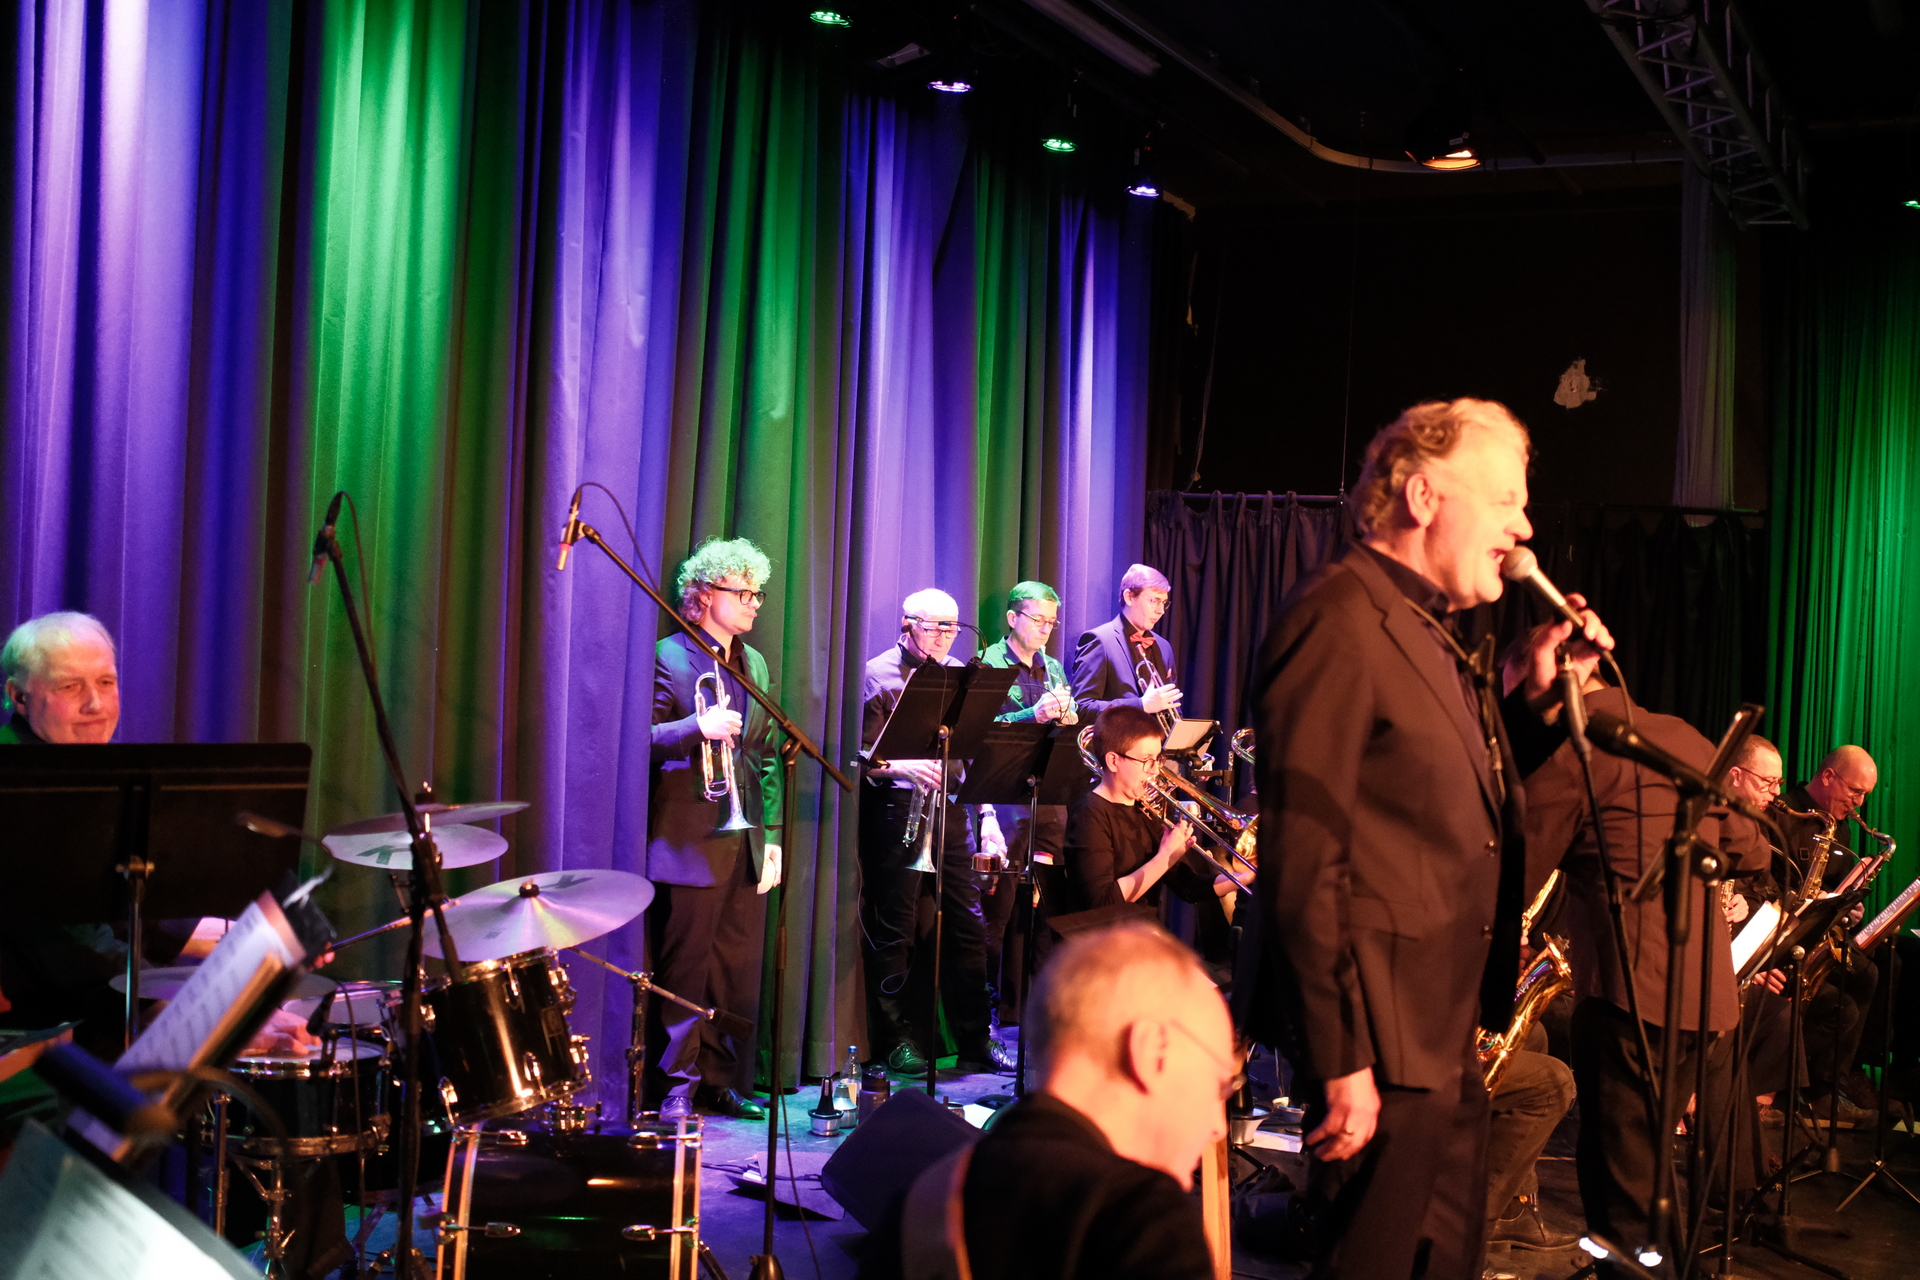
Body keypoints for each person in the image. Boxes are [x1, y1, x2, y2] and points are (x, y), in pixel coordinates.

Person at [1251, 398, 1612, 1280]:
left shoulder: (1431, 629)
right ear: (1422, 498)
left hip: (1443, 1039)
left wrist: (1537, 705)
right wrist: (1341, 1061)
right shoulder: (1339, 617)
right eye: (1505, 502)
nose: (1524, 530)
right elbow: (1303, 859)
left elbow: (1450, 802)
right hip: (1378, 1048)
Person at [1525, 672, 1770, 1268]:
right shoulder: (1685, 738)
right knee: (1652, 1178)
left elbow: (1517, 863)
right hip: (1705, 1001)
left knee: (1624, 1199)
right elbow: (1752, 848)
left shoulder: (1576, 752)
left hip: (1628, 999)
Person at [859, 922, 1227, 1280]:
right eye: (1217, 1084)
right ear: (1151, 1051)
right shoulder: (1145, 1220)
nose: (1218, 1126)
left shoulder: (919, 1208)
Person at [644, 537, 780, 1121]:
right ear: (703, 595)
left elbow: (765, 756)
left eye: (757, 593)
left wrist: (772, 838)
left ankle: (720, 1080)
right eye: (743, 592)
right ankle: (676, 1084)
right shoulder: (667, 657)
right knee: (686, 970)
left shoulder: (756, 663)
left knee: (733, 969)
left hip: (743, 838)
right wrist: (694, 728)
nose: (754, 603)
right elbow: (635, 738)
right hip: (688, 840)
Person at [859, 589, 996, 1075]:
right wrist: (902, 766)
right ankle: (895, 1040)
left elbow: (974, 753)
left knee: (968, 924)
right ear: (907, 623)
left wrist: (988, 817)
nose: (944, 636)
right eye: (935, 626)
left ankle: (976, 1038)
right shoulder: (877, 674)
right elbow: (861, 759)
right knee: (895, 928)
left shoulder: (962, 675)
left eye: (952, 627)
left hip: (951, 811)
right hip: (899, 810)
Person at [975, 581, 1076, 1031]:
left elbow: (1065, 726)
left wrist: (1069, 718)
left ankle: (1038, 1014)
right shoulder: (988, 663)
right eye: (1038, 619)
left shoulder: (1052, 667)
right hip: (1003, 799)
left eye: (1052, 622)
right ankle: (985, 1020)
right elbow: (979, 730)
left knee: (1048, 911)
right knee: (997, 913)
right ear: (1013, 618)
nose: (1046, 629)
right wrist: (1030, 716)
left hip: (1048, 798)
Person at [1058, 706, 1226, 917]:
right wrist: (1165, 857)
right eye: (1146, 760)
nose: (1155, 770)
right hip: (1104, 935)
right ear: (1113, 761)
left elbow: (1188, 887)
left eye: (1158, 759)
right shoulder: (1089, 815)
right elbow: (1101, 904)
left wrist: (1245, 877)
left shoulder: (1147, 811)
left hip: (1143, 931)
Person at [1071, 564, 1182, 722]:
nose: (1161, 610)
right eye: (1154, 600)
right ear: (1129, 597)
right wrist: (1141, 705)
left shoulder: (1164, 647)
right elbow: (1081, 708)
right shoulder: (1099, 640)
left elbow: (1172, 707)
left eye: (1164, 602)